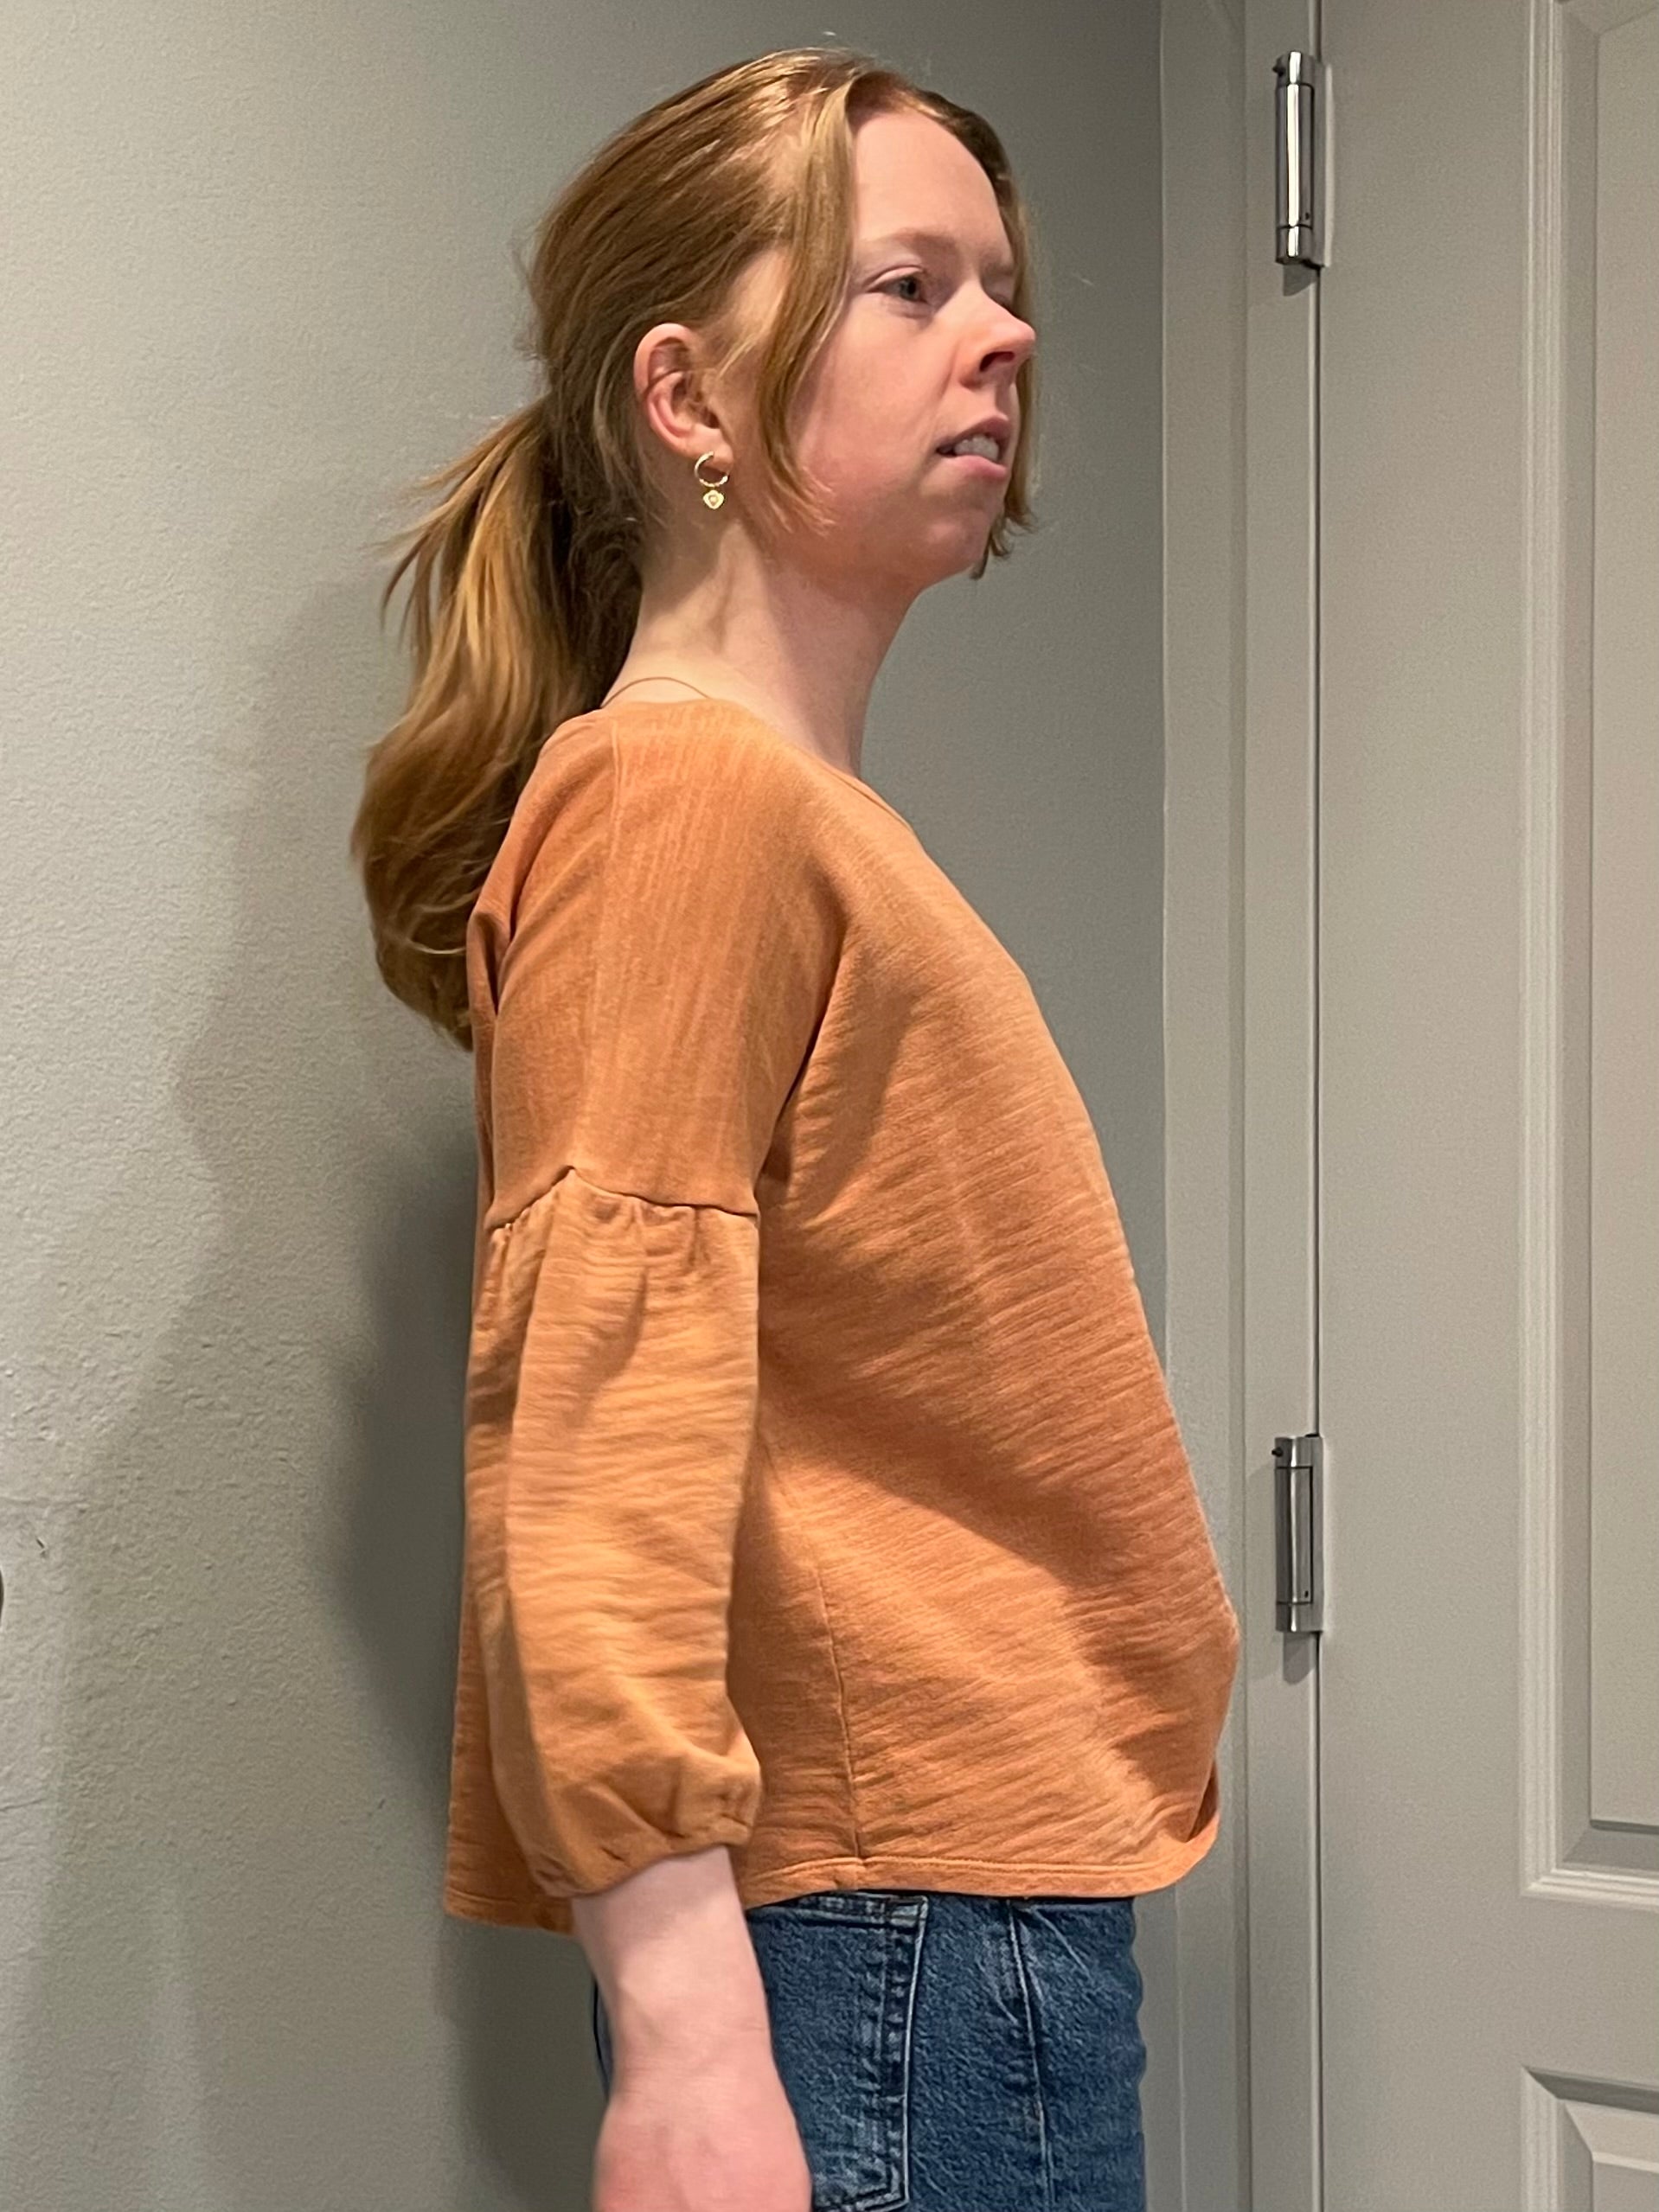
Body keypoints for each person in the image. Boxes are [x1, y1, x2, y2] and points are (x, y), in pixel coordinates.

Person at [350, 44, 1240, 2212]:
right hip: (885, 1936)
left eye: (1000, 287)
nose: (999, 335)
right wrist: (680, 2037)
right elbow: (598, 1411)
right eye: (906, 286)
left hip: (938, 1913)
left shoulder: (786, 813)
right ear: (683, 397)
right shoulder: (684, 799)